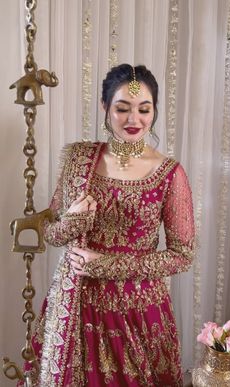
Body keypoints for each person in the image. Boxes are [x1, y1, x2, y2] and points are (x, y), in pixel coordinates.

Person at [22, 64, 195, 386]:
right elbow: (52, 232)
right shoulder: (80, 159)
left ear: (154, 110)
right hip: (76, 304)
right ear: (105, 107)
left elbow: (182, 254)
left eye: (144, 109)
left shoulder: (171, 173)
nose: (134, 120)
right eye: (122, 108)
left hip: (138, 310)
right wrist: (74, 220)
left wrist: (107, 264)